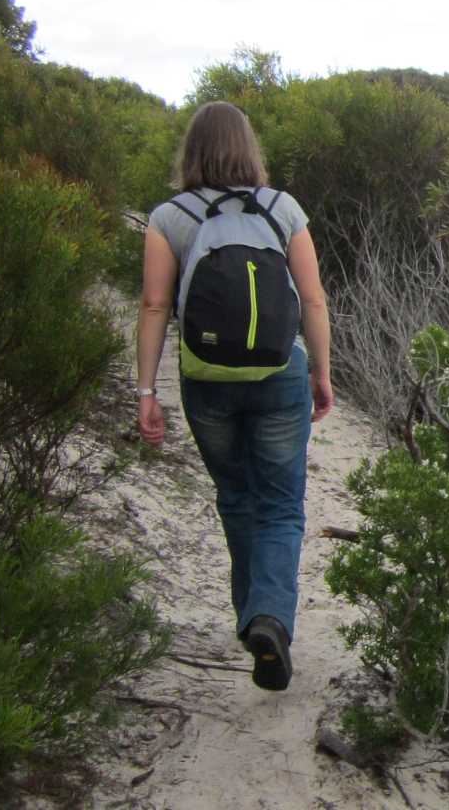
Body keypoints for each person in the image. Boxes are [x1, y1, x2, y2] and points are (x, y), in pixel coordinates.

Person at [135, 101, 334, 692]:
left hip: (206, 381)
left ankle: (253, 614)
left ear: (190, 151)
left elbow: (153, 307)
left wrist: (146, 391)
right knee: (280, 502)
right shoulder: (282, 209)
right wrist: (320, 372)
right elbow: (314, 299)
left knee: (236, 494)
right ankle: (268, 617)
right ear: (250, 148)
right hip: (279, 377)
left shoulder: (169, 217)